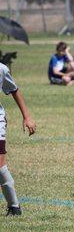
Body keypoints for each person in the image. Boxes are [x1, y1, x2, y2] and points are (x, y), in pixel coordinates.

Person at [0, 62, 36, 215]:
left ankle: (14, 206)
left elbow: (14, 90)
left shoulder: (1, 69)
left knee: (0, 165)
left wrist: (27, 117)